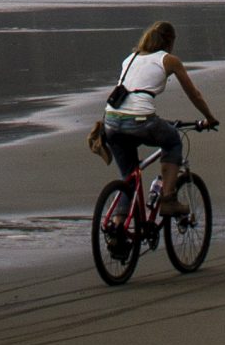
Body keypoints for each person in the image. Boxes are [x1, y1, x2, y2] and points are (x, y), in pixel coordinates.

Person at [90, 20, 218, 220]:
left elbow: (132, 97)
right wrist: (209, 117)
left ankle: (117, 231)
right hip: (140, 120)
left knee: (129, 178)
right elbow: (194, 94)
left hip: (111, 122)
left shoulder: (129, 58)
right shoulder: (169, 60)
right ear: (170, 41)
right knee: (173, 140)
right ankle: (168, 199)